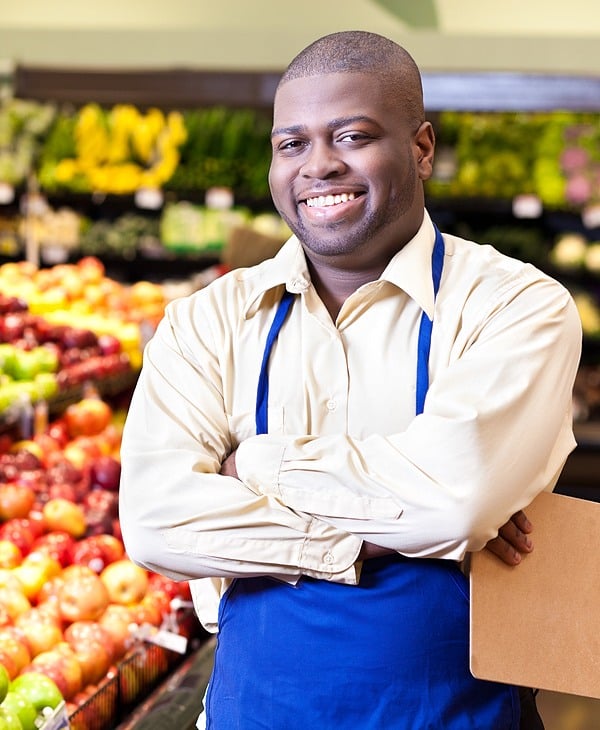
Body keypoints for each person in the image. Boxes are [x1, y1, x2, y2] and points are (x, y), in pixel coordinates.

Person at [119, 30, 582, 730]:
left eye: (352, 136)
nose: (318, 166)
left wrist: (254, 465)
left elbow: (454, 503)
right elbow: (154, 521)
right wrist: (380, 532)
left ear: (421, 149)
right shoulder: (207, 321)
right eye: (291, 144)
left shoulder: (515, 305)